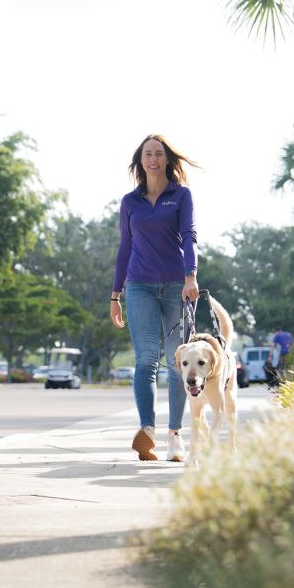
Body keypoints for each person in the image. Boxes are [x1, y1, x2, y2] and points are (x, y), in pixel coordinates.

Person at [109, 134, 199, 462]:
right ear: (140, 161)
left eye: (158, 154)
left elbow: (189, 236)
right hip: (139, 287)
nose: (153, 159)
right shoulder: (130, 202)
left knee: (177, 362)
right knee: (145, 359)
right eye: (147, 154)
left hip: (177, 285)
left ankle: (175, 435)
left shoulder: (181, 195)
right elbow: (125, 248)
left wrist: (191, 276)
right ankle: (147, 431)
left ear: (167, 159)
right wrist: (115, 295)